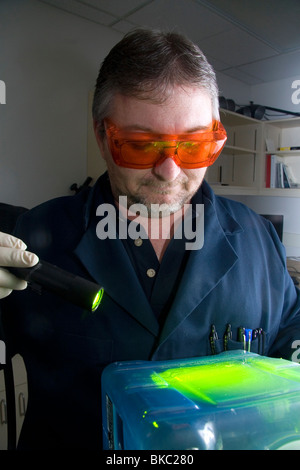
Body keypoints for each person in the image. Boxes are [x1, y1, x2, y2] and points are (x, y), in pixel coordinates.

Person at [0, 28, 300, 450]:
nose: (171, 172)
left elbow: (289, 323)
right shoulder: (33, 239)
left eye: (194, 146)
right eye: (142, 147)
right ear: (103, 137)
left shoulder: (261, 239)